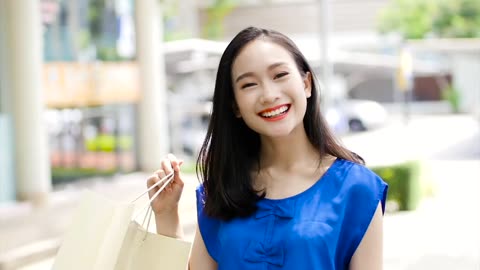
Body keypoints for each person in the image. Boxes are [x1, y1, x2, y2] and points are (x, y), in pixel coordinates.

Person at [146, 26, 388, 270]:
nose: (269, 95)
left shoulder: (358, 189)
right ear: (235, 106)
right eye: (249, 84)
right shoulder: (222, 189)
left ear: (306, 83)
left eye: (280, 75)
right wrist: (167, 214)